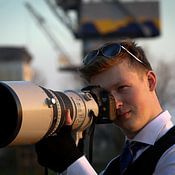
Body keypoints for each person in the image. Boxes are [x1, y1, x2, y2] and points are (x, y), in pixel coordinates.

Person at [35, 39, 175, 175]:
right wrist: (66, 161)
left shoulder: (171, 153)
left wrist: (72, 162)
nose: (116, 103)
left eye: (122, 88)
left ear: (150, 81)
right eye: (104, 96)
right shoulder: (116, 166)